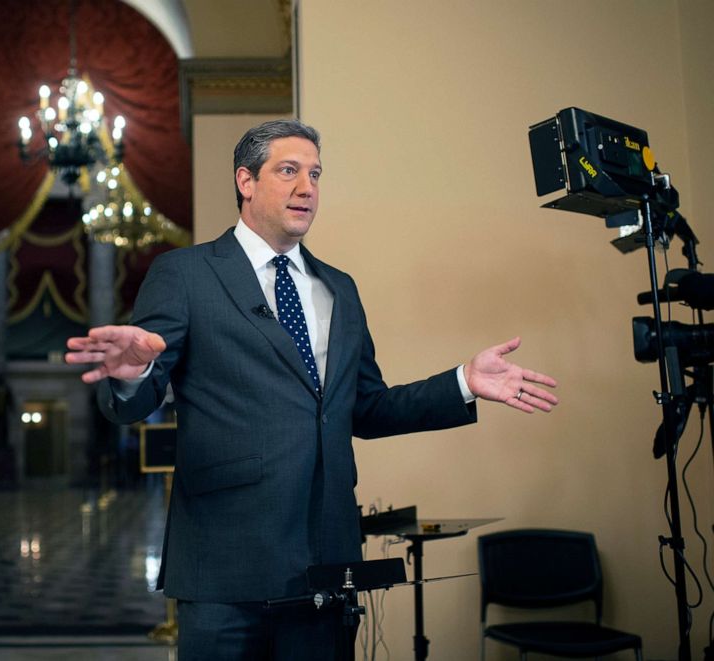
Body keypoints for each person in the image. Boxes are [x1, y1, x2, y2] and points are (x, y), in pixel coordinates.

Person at [65, 119, 558, 660]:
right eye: (289, 171)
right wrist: (132, 373)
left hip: (327, 565)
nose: (307, 188)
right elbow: (132, 405)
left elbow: (367, 409)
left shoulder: (338, 289)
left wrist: (463, 381)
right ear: (245, 181)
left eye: (316, 175)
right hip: (224, 568)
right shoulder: (184, 274)